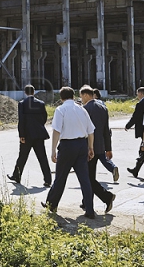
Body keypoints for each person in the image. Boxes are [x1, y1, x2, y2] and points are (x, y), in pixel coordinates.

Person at [42, 86, 97, 219]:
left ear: (61, 98)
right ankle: (89, 209)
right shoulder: (82, 109)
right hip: (82, 145)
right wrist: (90, 148)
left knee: (60, 176)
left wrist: (53, 149)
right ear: (73, 96)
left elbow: (56, 130)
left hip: (67, 146)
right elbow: (91, 131)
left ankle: (52, 204)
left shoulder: (61, 109)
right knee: (84, 179)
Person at [80, 85, 116, 214]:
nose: (81, 99)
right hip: (100, 147)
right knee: (90, 175)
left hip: (89, 148)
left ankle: (107, 196)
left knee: (88, 178)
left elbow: (85, 131)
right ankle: (85, 201)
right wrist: (108, 148)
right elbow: (106, 130)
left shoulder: (84, 109)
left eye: (81, 96)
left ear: (85, 95)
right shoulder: (102, 107)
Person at [7, 84, 52, 187]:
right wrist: (39, 126)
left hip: (27, 135)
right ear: (34, 92)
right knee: (42, 157)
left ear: (25, 92)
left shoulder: (22, 104)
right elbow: (44, 117)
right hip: (39, 134)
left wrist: (21, 135)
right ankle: (48, 179)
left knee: (22, 156)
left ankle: (17, 176)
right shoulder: (41, 103)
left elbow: (21, 120)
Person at [125, 87, 144, 178]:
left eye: (137, 94)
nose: (137, 96)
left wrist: (128, 125)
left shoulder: (140, 104)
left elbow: (135, 117)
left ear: (140, 94)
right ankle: (136, 170)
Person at [93, 89, 119, 182]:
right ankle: (112, 167)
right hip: (104, 132)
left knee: (98, 155)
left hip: (95, 133)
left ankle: (91, 178)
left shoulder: (93, 105)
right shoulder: (102, 104)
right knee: (101, 154)